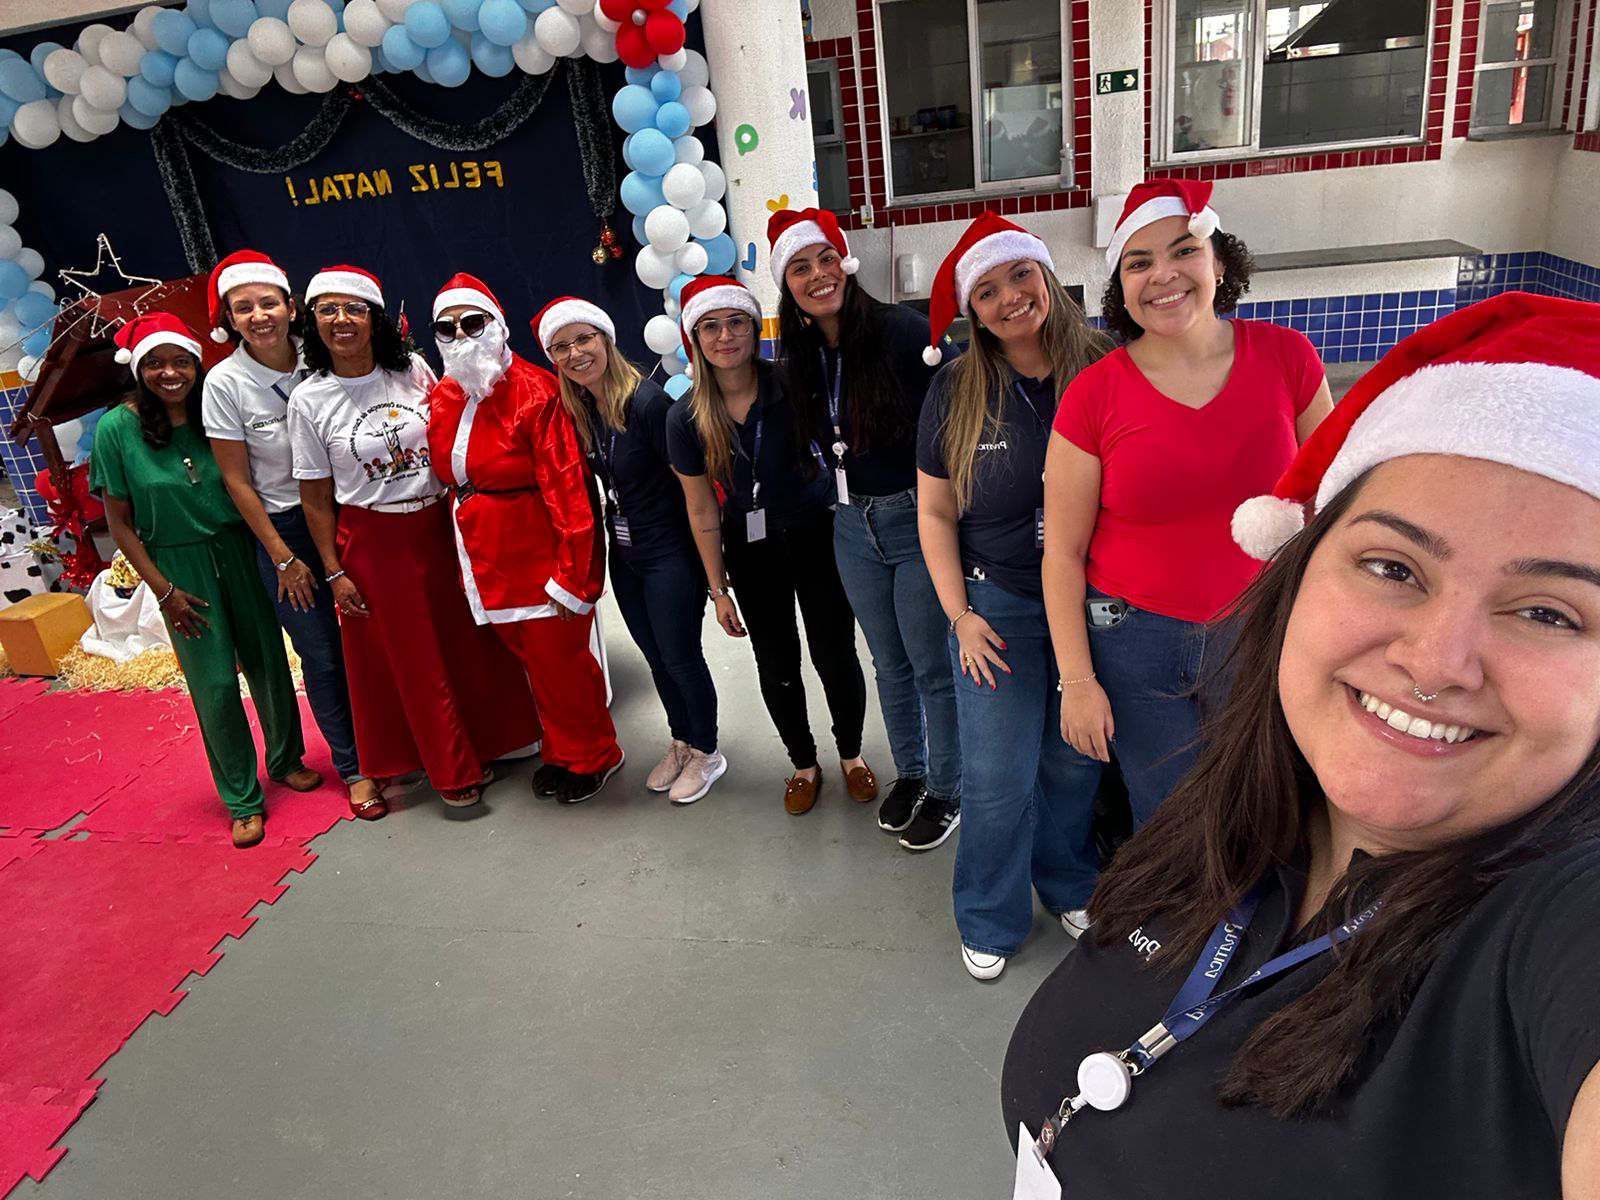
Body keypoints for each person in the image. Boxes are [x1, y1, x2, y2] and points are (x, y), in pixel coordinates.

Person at [1003, 291, 1600, 1198]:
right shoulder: (1235, 817)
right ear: (1297, 580)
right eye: (1394, 567)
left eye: (1548, 612)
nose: (1437, 663)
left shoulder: (1557, 924)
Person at [1045, 179, 1333, 830]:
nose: (1163, 275)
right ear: (1121, 286)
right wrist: (1079, 682)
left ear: (1220, 262)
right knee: (1169, 817)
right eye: (1139, 263)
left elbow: (1335, 500)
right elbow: (1061, 554)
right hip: (1135, 641)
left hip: (1262, 628)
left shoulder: (1288, 358)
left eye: (1184, 251)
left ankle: (1252, 927)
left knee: (1265, 799)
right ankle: (1186, 927)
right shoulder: (1093, 396)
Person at [916, 212, 1112, 980]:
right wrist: (959, 616)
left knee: (1074, 763)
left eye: (1020, 276)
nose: (1009, 300)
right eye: (988, 291)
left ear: (1047, 277)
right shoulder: (956, 390)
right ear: (973, 311)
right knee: (997, 775)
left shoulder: (1104, 367)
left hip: (1096, 603)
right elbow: (935, 513)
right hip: (996, 605)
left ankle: (1067, 883)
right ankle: (990, 914)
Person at [288, 265, 540, 810]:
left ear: (375, 318)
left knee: (464, 640)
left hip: (439, 524)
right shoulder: (309, 399)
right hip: (374, 540)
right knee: (413, 660)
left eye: (354, 308)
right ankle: (452, 770)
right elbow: (314, 497)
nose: (342, 320)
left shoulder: (414, 370)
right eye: (328, 310)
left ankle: (490, 742)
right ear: (313, 322)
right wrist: (333, 570)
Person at [769, 206, 959, 846]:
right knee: (888, 662)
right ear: (786, 283)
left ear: (846, 264)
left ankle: (948, 786)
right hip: (850, 525)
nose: (818, 275)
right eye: (800, 267)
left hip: (915, 520)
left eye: (826, 259)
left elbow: (958, 413)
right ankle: (911, 771)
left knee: (931, 663)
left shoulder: (903, 333)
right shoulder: (796, 358)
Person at [92, 313, 316, 849]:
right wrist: (164, 591)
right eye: (155, 364)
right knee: (214, 684)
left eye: (180, 361)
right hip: (178, 566)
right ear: (137, 369)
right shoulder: (116, 429)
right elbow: (119, 522)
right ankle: (241, 797)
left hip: (240, 549)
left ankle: (286, 759)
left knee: (267, 660)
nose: (170, 373)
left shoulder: (213, 406)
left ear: (196, 364)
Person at [665, 275, 872, 816]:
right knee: (776, 660)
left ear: (756, 330)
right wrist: (717, 588)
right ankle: (804, 764)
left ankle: (851, 755)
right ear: (695, 339)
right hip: (750, 550)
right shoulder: (685, 416)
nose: (725, 336)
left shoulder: (794, 384)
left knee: (835, 654)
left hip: (816, 534)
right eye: (710, 326)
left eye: (736, 323)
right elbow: (701, 509)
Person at [426, 275, 625, 805]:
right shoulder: (444, 394)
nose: (462, 337)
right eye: (448, 328)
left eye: (474, 324)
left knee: (564, 666)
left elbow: (569, 490)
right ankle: (562, 752)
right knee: (537, 668)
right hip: (486, 557)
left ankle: (596, 754)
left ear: (497, 326)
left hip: (540, 557)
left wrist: (574, 576)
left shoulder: (538, 392)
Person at [200, 249, 382, 821]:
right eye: (243, 307)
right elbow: (236, 481)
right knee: (323, 654)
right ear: (230, 318)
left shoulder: (323, 355)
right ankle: (356, 767)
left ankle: (395, 743)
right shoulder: (225, 383)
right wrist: (282, 558)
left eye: (268, 302)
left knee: (372, 642)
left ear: (290, 306)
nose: (258, 315)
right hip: (284, 531)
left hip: (347, 514)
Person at [532, 293, 724, 805]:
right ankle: (681, 740)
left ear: (606, 340)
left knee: (681, 657)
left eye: (584, 339)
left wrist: (711, 571)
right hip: (628, 553)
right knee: (656, 656)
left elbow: (694, 488)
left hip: (669, 552)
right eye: (561, 347)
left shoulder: (647, 403)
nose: (575, 354)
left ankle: (707, 750)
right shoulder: (585, 407)